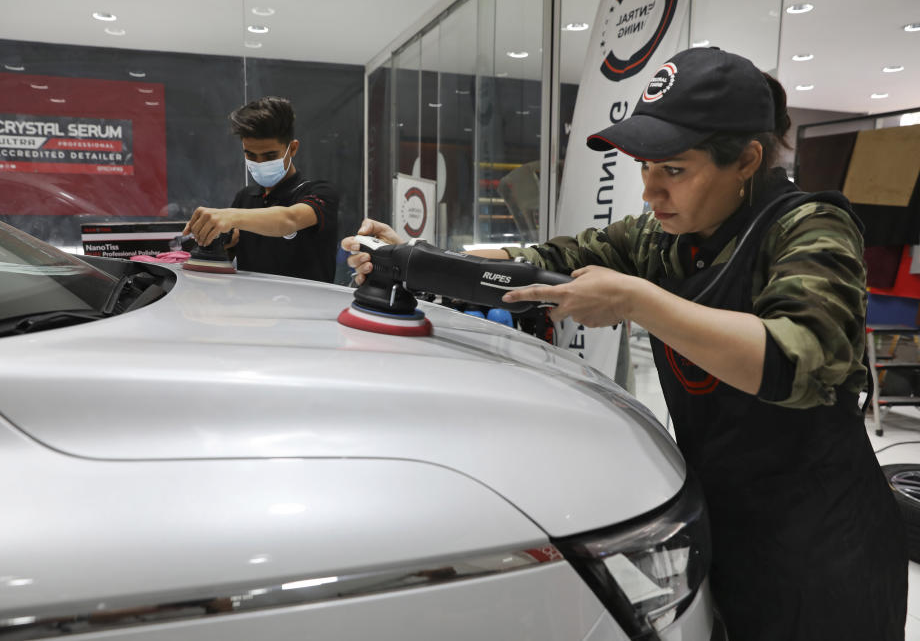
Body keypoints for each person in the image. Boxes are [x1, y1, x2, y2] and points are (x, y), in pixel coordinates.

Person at [344, 47, 908, 640]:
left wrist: (638, 301)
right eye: (644, 168)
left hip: (821, 541)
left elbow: (801, 358)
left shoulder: (808, 226)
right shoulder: (661, 238)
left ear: (746, 159)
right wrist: (417, 261)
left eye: (674, 171)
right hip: (724, 518)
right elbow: (543, 264)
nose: (651, 192)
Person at [183, 96, 340, 282]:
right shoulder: (245, 197)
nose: (259, 162)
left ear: (292, 149)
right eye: (250, 154)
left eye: (270, 155)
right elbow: (228, 259)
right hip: (253, 307)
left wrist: (230, 216)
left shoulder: (320, 192)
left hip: (307, 309)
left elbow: (289, 219)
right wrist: (220, 242)